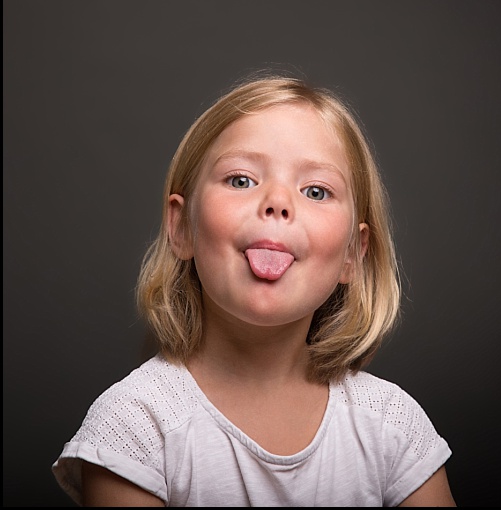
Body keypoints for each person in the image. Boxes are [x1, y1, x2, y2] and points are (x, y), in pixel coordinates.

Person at [51, 74, 456, 507]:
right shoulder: (135, 425)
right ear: (182, 227)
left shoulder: (393, 426)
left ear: (351, 256)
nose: (278, 201)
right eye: (241, 180)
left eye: (316, 191)